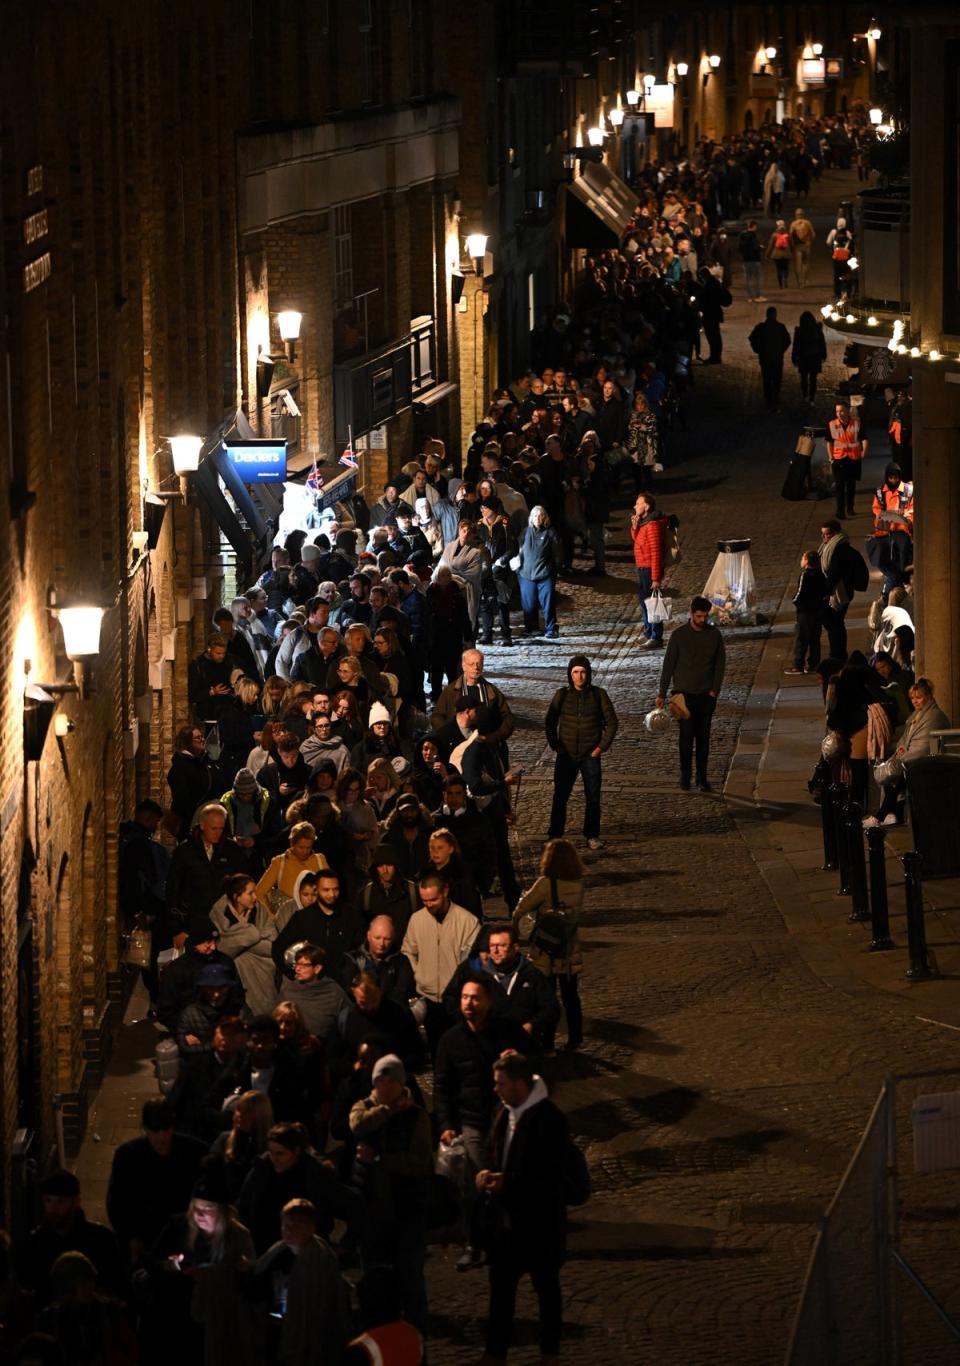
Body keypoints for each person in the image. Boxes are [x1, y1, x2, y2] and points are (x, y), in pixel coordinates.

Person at [475, 1054, 570, 1365]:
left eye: (500, 1083)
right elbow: (493, 1150)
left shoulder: (549, 1119)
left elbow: (551, 1175)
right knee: (500, 1293)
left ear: (519, 1084)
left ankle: (550, 1354)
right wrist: (487, 1171)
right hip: (506, 1225)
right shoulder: (503, 1113)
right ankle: (495, 1352)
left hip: (540, 1225)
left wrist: (509, 1182)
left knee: (547, 1292)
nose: (495, 1090)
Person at [433, 978, 529, 1272]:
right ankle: (475, 1242)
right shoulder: (450, 1040)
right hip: (472, 1122)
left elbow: (535, 1063)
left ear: (488, 1001)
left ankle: (509, 1237)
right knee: (477, 1183)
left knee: (508, 1180)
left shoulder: (507, 1032)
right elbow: (442, 1086)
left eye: (475, 998)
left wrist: (519, 1061)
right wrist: (446, 1123)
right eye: (464, 998)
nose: (468, 1004)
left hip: (506, 1120)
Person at [348, 1054, 433, 1335]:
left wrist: (379, 1160)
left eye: (390, 1081)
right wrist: (388, 1111)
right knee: (375, 1278)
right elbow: (358, 1125)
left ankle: (415, 1338)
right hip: (372, 1209)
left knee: (410, 1280)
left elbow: (418, 1162)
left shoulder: (417, 1116)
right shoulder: (364, 1108)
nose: (383, 1086)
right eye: (379, 1080)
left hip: (407, 1208)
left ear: (401, 1083)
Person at [145, 1169, 261, 1366]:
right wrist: (169, 1266)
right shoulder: (179, 1225)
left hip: (220, 1318)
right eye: (196, 1207)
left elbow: (250, 1283)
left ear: (223, 1211)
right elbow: (151, 1262)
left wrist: (229, 1272)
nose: (199, 1214)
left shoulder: (238, 1236)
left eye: (207, 1208)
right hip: (179, 1315)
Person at [106, 1099, 207, 1267]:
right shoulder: (128, 1157)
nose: (162, 1136)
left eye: (166, 1129)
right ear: (145, 1129)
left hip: (185, 1239)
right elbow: (117, 1202)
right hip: (146, 1239)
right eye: (155, 1130)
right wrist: (130, 1237)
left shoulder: (195, 1152)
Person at [252, 1197, 350, 1366]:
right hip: (277, 1330)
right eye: (285, 1225)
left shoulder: (320, 1259)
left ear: (311, 1228)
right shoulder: (278, 1252)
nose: (287, 1231)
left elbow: (321, 1309)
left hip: (309, 1342)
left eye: (295, 1225)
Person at [513, 838, 586, 1053]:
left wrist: (518, 925)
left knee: (546, 997)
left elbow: (523, 907)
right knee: (570, 995)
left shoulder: (546, 883)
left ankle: (547, 1043)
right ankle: (575, 1038)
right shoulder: (578, 884)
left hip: (546, 950)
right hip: (568, 947)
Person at [17, 1170, 127, 1308]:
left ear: (76, 1202)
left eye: (60, 1201)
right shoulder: (34, 1244)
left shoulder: (101, 1239)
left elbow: (118, 1285)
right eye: (48, 1200)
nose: (53, 1208)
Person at [544, 654, 618, 850]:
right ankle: (554, 834)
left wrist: (600, 748)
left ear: (589, 674)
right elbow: (550, 722)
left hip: (589, 756)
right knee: (560, 796)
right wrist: (556, 745)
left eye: (583, 672)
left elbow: (612, 722)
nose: (579, 676)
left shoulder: (598, 695)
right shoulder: (562, 695)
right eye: (575, 672)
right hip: (566, 755)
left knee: (593, 797)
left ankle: (592, 835)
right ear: (570, 674)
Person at [401, 872, 479, 1053]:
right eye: (424, 901)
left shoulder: (467, 922)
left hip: (455, 1000)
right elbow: (408, 951)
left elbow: (470, 962)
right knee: (436, 1051)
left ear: (445, 891)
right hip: (427, 998)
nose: (428, 905)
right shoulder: (417, 920)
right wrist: (419, 973)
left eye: (433, 900)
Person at [656, 596, 726, 793]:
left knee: (703, 739)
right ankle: (685, 776)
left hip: (705, 696)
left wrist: (714, 690)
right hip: (683, 696)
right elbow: (668, 665)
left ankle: (702, 778)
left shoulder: (714, 635)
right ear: (691, 614)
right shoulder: (679, 636)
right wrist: (662, 693)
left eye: (705, 616)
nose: (702, 620)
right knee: (686, 738)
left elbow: (720, 664)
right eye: (699, 616)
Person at [459, 705, 522, 909]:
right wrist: (504, 783)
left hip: (494, 813)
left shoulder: (491, 747)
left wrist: (505, 809)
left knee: (504, 859)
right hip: (481, 817)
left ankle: (514, 903)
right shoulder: (474, 752)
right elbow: (475, 785)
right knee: (486, 863)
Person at [865, 678, 951, 828]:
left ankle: (881, 816)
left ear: (929, 696)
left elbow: (925, 747)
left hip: (927, 762)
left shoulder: (934, 717)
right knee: (893, 776)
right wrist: (901, 750)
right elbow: (905, 739)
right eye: (912, 698)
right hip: (914, 759)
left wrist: (903, 757)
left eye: (919, 697)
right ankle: (892, 814)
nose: (915, 701)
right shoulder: (916, 715)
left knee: (895, 778)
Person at [272, 870, 365, 982]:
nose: (332, 894)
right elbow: (278, 948)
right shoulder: (302, 918)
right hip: (310, 989)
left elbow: (362, 950)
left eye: (335, 889)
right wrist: (294, 975)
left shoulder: (351, 916)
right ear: (316, 889)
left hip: (343, 988)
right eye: (326, 890)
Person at [431, 648, 515, 751]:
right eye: (472, 664)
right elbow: (436, 716)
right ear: (464, 666)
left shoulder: (491, 691)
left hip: (487, 745)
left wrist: (495, 736)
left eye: (479, 664)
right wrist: (451, 735)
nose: (476, 667)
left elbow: (508, 717)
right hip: (458, 745)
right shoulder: (451, 691)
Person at [277, 943, 350, 1044]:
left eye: (303, 965)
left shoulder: (333, 992)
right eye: (297, 964)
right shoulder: (289, 990)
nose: (297, 969)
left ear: (317, 969)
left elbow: (348, 1023)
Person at [339, 915, 416, 1005]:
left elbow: (402, 992)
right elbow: (348, 991)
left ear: (393, 938)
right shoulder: (353, 959)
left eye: (387, 939)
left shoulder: (401, 961)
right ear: (368, 936)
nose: (382, 944)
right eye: (377, 938)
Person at [819, 518, 863, 660]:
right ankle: (838, 653)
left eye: (827, 534)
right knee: (835, 623)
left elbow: (834, 574)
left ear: (836, 534)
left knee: (834, 624)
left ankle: (837, 654)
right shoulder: (832, 547)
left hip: (840, 593)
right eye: (822, 534)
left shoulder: (840, 550)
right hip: (839, 592)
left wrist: (825, 593)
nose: (823, 537)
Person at [515, 505, 561, 639]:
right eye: (535, 516)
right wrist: (518, 568)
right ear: (531, 518)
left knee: (548, 603)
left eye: (540, 516)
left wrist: (554, 570)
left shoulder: (550, 533)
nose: (538, 518)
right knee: (528, 604)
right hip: (526, 574)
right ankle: (531, 628)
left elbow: (558, 553)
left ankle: (551, 628)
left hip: (545, 574)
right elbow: (517, 549)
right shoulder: (525, 533)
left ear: (544, 518)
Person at [630, 493, 668, 648]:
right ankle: (648, 633)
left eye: (638, 503)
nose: (635, 506)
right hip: (642, 568)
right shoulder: (644, 522)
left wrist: (656, 578)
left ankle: (655, 636)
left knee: (652, 603)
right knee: (644, 601)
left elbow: (656, 552)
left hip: (648, 569)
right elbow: (637, 539)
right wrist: (634, 526)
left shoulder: (652, 525)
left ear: (646, 507)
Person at [871, 463, 914, 595]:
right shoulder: (880, 492)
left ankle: (900, 581)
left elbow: (911, 511)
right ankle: (894, 580)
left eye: (896, 478)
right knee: (882, 556)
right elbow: (877, 510)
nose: (893, 481)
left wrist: (900, 518)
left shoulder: (908, 490)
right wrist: (887, 516)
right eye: (891, 478)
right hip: (885, 531)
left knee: (902, 553)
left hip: (902, 530)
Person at [785, 550, 827, 676]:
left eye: (803, 558)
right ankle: (814, 664)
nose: (801, 560)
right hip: (817, 610)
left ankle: (798, 666)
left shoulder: (805, 575)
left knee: (801, 638)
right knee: (815, 638)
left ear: (807, 561)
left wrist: (795, 601)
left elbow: (801, 592)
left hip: (805, 611)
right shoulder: (820, 574)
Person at [827, 400, 868, 520]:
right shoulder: (832, 424)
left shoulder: (857, 423)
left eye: (841, 411)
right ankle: (840, 511)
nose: (839, 413)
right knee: (839, 486)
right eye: (837, 411)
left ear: (847, 411)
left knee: (851, 485)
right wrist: (831, 457)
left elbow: (864, 438)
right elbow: (829, 441)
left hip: (853, 458)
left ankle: (850, 507)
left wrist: (864, 452)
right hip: (839, 459)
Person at [748, 306, 791, 409]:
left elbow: (752, 338)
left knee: (767, 378)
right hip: (776, 358)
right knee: (776, 378)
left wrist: (758, 350)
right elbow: (787, 341)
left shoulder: (761, 327)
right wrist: (781, 350)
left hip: (766, 358)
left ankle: (769, 398)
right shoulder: (780, 327)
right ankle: (775, 396)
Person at [791, 311, 828, 405]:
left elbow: (796, 346)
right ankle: (811, 398)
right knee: (813, 379)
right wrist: (823, 355)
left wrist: (794, 357)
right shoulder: (817, 330)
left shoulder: (800, 331)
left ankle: (805, 396)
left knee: (804, 378)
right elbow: (822, 343)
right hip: (814, 358)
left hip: (804, 357)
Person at [737, 219, 764, 303]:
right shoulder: (753, 235)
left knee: (747, 279)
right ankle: (757, 296)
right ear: (754, 226)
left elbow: (739, 247)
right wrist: (760, 248)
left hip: (746, 260)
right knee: (757, 278)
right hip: (755, 260)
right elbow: (755, 247)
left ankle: (749, 297)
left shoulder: (742, 235)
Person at [789, 207, 816, 287]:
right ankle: (805, 281)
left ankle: (799, 282)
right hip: (806, 246)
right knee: (805, 263)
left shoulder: (793, 224)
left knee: (798, 264)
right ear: (803, 214)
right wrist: (809, 241)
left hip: (797, 246)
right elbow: (813, 235)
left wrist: (792, 245)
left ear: (796, 215)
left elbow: (790, 236)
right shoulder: (807, 223)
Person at [764, 218, 791, 289]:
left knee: (779, 269)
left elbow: (770, 245)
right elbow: (792, 244)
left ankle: (780, 284)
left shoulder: (774, 235)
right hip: (786, 254)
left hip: (776, 255)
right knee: (785, 268)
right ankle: (785, 278)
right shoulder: (788, 234)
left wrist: (767, 254)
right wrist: (791, 251)